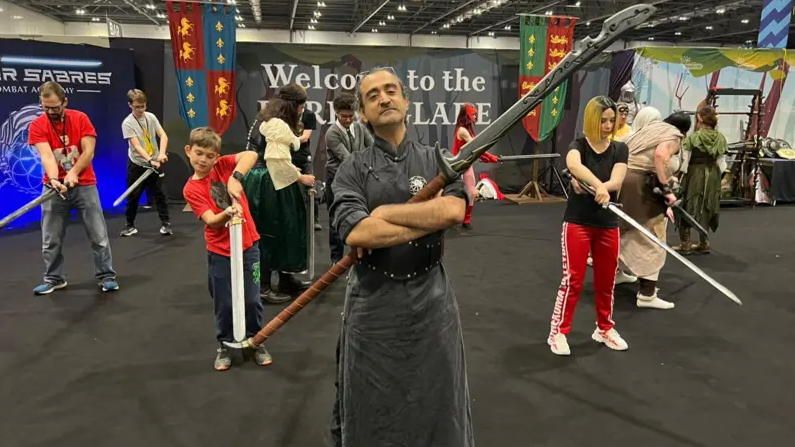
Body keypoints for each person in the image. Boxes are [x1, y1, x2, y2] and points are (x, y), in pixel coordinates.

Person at [329, 67, 473, 447]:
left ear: (406, 102)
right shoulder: (352, 168)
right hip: (372, 304)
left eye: (390, 90)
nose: (383, 98)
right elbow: (357, 232)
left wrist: (383, 214)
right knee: (371, 404)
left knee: (438, 398)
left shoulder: (437, 160)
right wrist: (422, 218)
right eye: (372, 95)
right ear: (363, 113)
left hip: (432, 301)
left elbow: (454, 212)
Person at [181, 126, 272, 371]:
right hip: (220, 252)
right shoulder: (191, 189)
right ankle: (225, 344)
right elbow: (211, 220)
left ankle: (256, 341)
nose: (204, 160)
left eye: (210, 156)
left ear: (217, 157)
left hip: (249, 245)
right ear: (189, 151)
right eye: (199, 153)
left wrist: (236, 177)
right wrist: (228, 212)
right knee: (224, 302)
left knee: (252, 300)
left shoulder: (223, 167)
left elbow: (251, 156)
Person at [548, 96, 629, 356]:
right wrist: (598, 185)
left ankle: (604, 328)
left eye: (611, 120)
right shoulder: (579, 145)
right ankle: (558, 332)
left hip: (608, 223)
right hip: (578, 222)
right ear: (593, 120)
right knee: (573, 280)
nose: (608, 125)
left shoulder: (620, 149)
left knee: (606, 282)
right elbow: (573, 165)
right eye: (603, 120)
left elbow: (617, 179)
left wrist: (605, 188)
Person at [28, 81, 119, 295]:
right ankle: (54, 278)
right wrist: (54, 179)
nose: (50, 112)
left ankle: (106, 275)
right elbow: (47, 156)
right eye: (45, 107)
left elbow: (88, 152)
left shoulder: (80, 119)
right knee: (50, 238)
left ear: (65, 102)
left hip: (85, 184)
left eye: (55, 107)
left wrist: (73, 173)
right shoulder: (38, 125)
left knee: (99, 235)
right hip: (53, 189)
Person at [242, 84, 316, 302]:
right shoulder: (277, 125)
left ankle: (285, 277)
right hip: (270, 182)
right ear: (292, 105)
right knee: (272, 229)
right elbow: (277, 161)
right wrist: (301, 177)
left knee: (284, 229)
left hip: (266, 179)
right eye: (300, 106)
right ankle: (264, 286)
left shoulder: (268, 118)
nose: (302, 111)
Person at [616, 109, 690, 310]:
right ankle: (647, 295)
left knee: (623, 231)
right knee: (653, 237)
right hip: (640, 186)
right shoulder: (673, 135)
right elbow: (661, 156)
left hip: (623, 181)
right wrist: (667, 191)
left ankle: (615, 275)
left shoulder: (648, 130)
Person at [324, 92, 374, 264]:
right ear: (336, 113)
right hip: (336, 179)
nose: (347, 119)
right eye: (343, 116)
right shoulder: (332, 133)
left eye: (350, 116)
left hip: (358, 179)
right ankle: (336, 260)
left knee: (362, 216)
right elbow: (348, 159)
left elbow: (372, 148)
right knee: (335, 219)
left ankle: (359, 258)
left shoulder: (360, 127)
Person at [673, 106, 727, 255]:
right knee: (707, 206)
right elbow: (722, 163)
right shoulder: (721, 138)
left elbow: (684, 160)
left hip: (694, 174)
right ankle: (704, 242)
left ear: (700, 119)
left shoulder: (694, 137)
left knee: (687, 204)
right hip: (713, 174)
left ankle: (685, 243)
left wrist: (679, 176)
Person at [119, 89, 172, 237]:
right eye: (137, 107)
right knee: (133, 195)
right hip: (138, 164)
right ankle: (130, 225)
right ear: (130, 105)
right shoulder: (127, 123)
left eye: (143, 106)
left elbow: (163, 135)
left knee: (159, 194)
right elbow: (136, 146)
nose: (141, 109)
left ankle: (166, 224)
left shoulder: (151, 117)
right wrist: (149, 160)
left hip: (154, 162)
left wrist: (161, 153)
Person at [453, 102, 499, 229]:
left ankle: (466, 220)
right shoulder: (462, 131)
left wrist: (485, 157)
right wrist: (489, 157)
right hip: (459, 166)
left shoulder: (466, 130)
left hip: (466, 165)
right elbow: (476, 147)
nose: (475, 116)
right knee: (455, 193)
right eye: (473, 114)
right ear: (466, 115)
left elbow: (475, 150)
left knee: (472, 193)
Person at [291, 92, 321, 231]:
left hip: (303, 157)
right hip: (287, 157)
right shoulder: (285, 116)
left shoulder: (309, 115)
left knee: (310, 188)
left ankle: (313, 219)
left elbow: (305, 137)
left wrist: (288, 139)